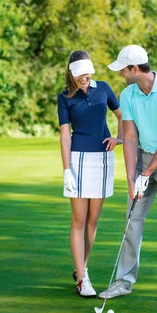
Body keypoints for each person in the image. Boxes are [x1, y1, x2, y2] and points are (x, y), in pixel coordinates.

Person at [98, 45, 157, 308]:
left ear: (135, 69)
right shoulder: (128, 94)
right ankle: (123, 281)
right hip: (141, 156)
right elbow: (129, 137)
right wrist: (132, 178)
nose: (120, 73)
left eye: (123, 68)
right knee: (132, 220)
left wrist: (148, 173)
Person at [57, 50, 123, 298]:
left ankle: (81, 268)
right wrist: (66, 170)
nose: (84, 78)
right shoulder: (64, 97)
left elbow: (122, 116)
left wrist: (120, 138)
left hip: (103, 159)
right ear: (71, 74)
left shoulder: (104, 88)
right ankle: (83, 279)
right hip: (78, 160)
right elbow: (65, 135)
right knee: (79, 220)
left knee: (93, 221)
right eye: (79, 75)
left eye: (87, 74)